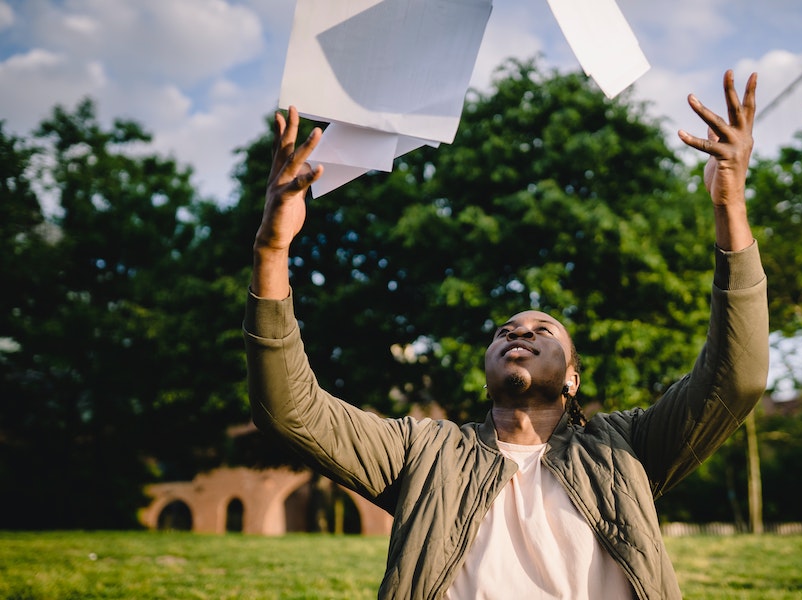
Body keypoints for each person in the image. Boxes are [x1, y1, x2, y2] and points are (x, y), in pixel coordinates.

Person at [243, 70, 768, 600]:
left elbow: (736, 378)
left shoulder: (627, 449)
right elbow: (291, 410)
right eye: (506, 330)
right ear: (487, 368)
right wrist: (273, 251)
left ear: (572, 378)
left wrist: (730, 206)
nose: (520, 331)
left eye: (544, 330)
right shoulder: (424, 453)